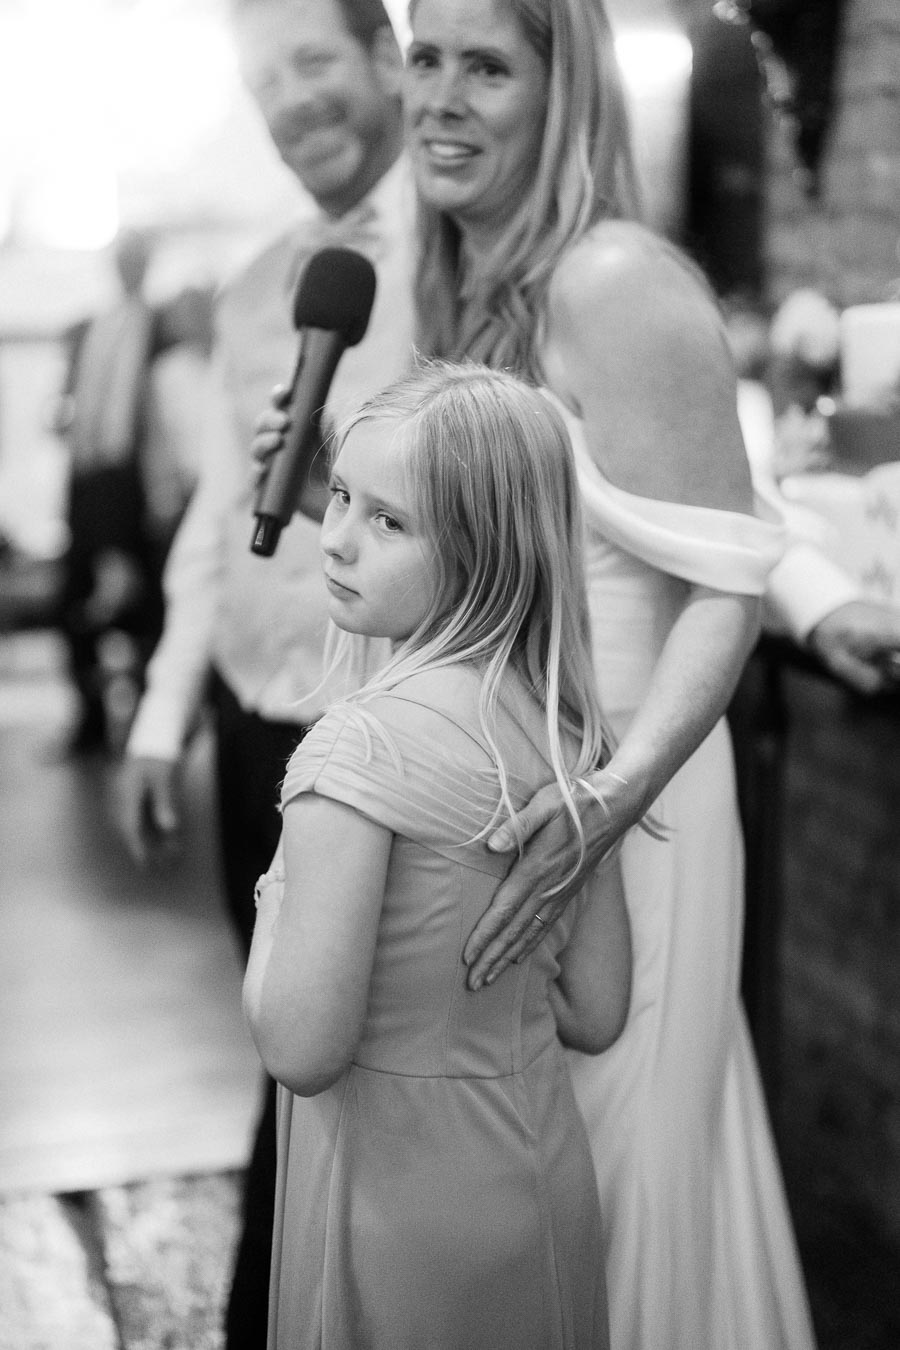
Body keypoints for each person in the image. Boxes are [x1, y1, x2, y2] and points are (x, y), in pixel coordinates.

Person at [398, 1, 817, 1345]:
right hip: (507, 809)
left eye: (486, 68)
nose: (441, 100)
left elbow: (728, 588)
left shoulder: (616, 280)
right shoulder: (448, 273)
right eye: (424, 58)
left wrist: (610, 800)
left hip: (632, 811)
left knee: (617, 1186)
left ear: (564, 91)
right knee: (525, 1200)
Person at [118, 2, 413, 1344]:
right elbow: (211, 528)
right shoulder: (256, 288)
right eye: (265, 79)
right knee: (283, 1060)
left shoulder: (478, 264)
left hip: (393, 742)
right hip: (255, 725)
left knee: (371, 1072)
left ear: (385, 61)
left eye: (315, 62)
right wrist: (164, 714)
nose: (293, 101)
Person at [243, 359, 631, 1349]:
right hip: (536, 1184)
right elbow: (596, 1011)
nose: (334, 539)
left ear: (483, 549)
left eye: (388, 522)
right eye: (338, 495)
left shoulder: (355, 751)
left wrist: (274, 895)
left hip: (396, 1211)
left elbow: (301, 1047)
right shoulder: (573, 737)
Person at [53, 228, 173, 755]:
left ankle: (152, 720)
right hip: (88, 477)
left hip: (134, 484)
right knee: (75, 602)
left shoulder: (162, 327)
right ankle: (91, 719)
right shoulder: (93, 327)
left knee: (145, 609)